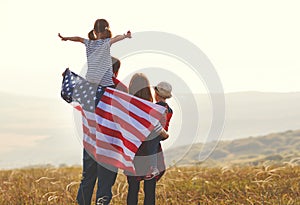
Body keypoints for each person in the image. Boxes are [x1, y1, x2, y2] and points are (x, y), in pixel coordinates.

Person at [59, 19, 131, 205]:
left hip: (90, 141)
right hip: (109, 143)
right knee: (105, 184)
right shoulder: (119, 89)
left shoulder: (88, 90)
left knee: (87, 179)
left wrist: (66, 39)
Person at [125, 73, 169, 205]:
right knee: (150, 191)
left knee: (132, 188)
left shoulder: (126, 108)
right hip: (151, 154)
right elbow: (160, 134)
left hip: (133, 153)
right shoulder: (153, 109)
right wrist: (164, 135)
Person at [58, 18, 131, 87]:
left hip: (90, 80)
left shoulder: (88, 43)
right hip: (104, 81)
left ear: (94, 31)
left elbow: (78, 38)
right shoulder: (106, 42)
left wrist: (67, 38)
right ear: (106, 31)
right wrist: (125, 36)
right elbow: (116, 38)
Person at [145, 81, 173, 180]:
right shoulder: (169, 109)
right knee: (154, 145)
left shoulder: (156, 107)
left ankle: (153, 167)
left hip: (156, 132)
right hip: (162, 132)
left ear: (156, 94)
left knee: (151, 144)